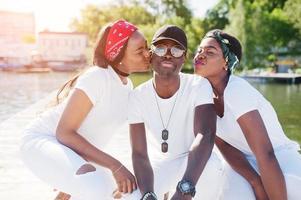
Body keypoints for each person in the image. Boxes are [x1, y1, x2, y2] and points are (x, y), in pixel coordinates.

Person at [20, 19, 150, 200]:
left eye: (147, 46)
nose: (148, 53)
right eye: (139, 51)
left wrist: (74, 172)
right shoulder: (97, 77)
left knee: (132, 195)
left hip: (72, 152)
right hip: (42, 141)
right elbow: (64, 132)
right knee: (96, 189)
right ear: (118, 57)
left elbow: (94, 134)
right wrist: (115, 166)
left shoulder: (127, 87)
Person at [193, 29, 301, 200]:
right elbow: (224, 146)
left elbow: (265, 153)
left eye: (210, 52)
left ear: (226, 63)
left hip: (279, 158)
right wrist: (255, 182)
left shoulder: (237, 90)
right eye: (199, 50)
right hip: (244, 162)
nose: (200, 55)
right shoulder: (200, 93)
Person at [123, 25, 224, 200]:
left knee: (212, 167)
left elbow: (205, 134)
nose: (168, 54)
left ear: (184, 58)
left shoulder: (198, 85)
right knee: (131, 197)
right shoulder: (137, 96)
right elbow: (139, 153)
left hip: (194, 161)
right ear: (151, 53)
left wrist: (185, 189)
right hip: (161, 163)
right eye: (161, 48)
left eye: (177, 50)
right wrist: (148, 194)